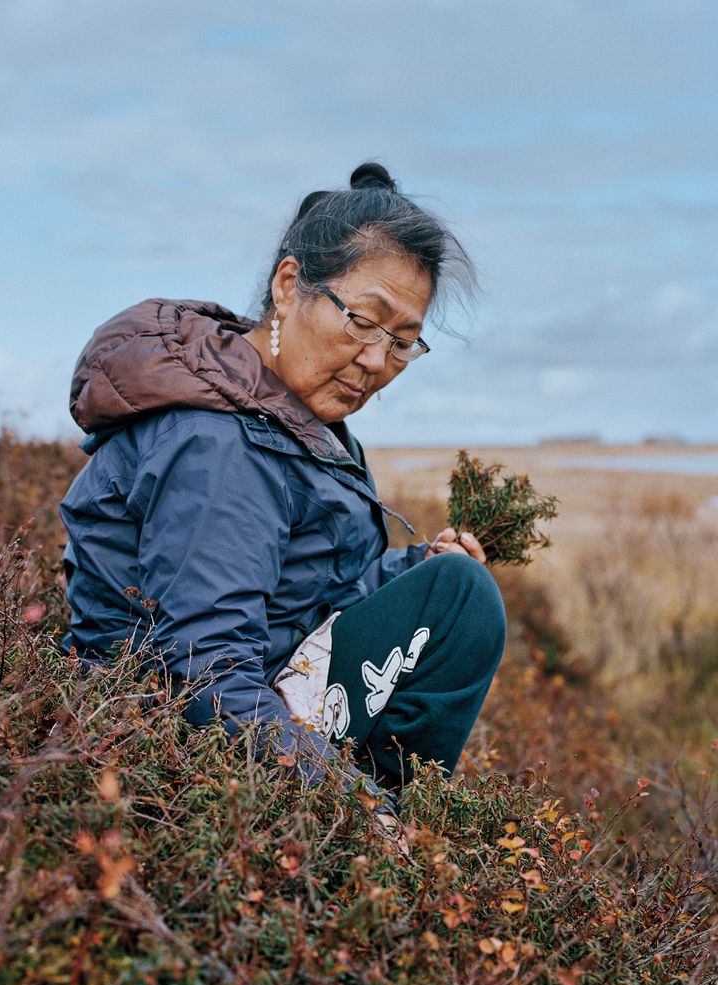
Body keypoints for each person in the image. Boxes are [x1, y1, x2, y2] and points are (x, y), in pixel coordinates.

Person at [60, 162, 506, 824]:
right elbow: (203, 673)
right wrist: (358, 812)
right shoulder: (221, 445)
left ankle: (387, 818)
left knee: (451, 590)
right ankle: (379, 832)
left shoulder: (291, 417)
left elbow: (301, 585)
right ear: (290, 283)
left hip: (254, 690)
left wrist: (416, 574)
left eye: (404, 342)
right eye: (363, 320)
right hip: (167, 746)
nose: (378, 361)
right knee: (465, 601)